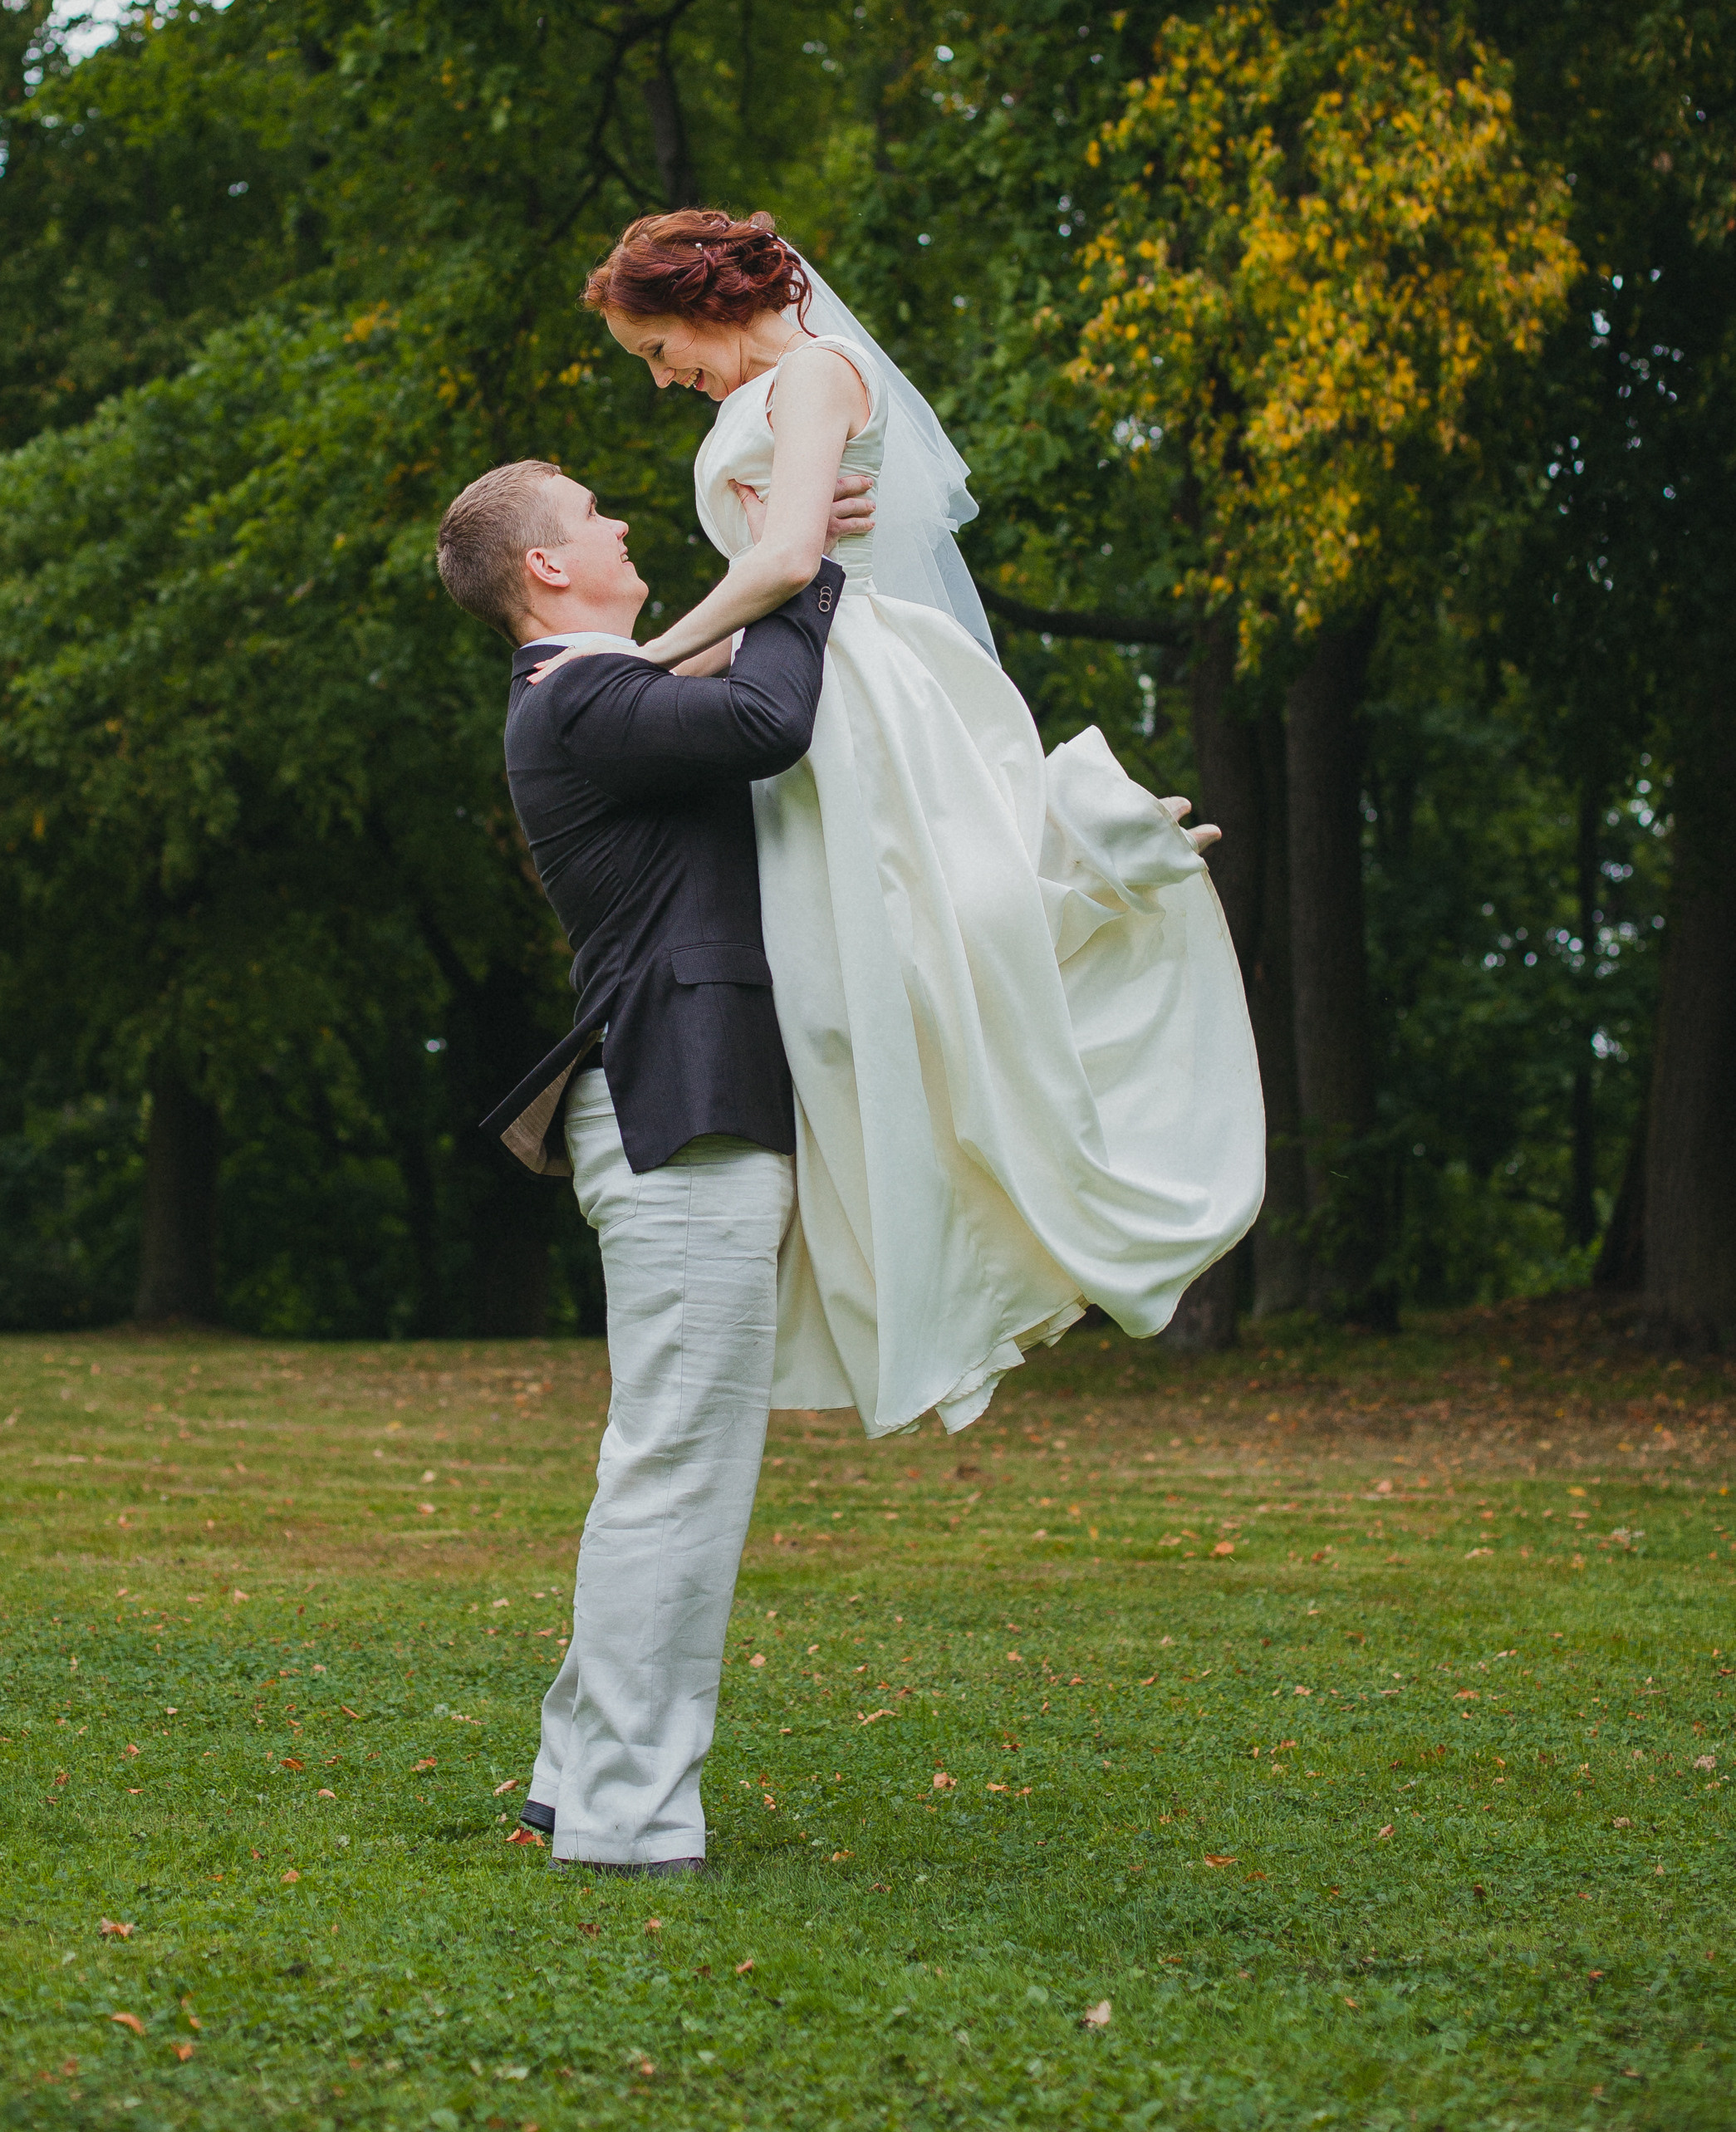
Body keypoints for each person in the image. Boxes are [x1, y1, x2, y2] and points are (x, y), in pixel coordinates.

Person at [574, 208, 1266, 1441]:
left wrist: (640, 662)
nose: (661, 375)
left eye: (654, 347)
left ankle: (1101, 873)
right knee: (845, 1004)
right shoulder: (770, 395)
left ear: (702, 298)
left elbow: (787, 557)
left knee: (908, 963)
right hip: (798, 680)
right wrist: (635, 683)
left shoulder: (816, 375)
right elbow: (777, 578)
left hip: (864, 692)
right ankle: (922, 1261)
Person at [434, 453, 866, 1875]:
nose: (623, 522)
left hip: (683, 1106)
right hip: (677, 1111)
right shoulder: (580, 696)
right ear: (547, 569)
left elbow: (722, 675)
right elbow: (763, 719)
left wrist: (792, 552)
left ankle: (579, 1771)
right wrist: (799, 576)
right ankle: (624, 1814)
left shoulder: (603, 691)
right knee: (677, 1468)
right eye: (594, 514)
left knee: (665, 1460)